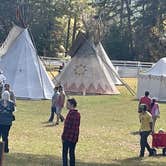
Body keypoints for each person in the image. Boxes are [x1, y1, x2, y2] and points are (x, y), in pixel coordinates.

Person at [62, 98, 80, 166]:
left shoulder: (70, 114)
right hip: (74, 137)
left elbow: (67, 127)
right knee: (72, 153)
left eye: (67, 104)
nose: (66, 105)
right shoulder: (78, 114)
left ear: (72, 105)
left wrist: (63, 137)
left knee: (65, 153)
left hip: (67, 137)